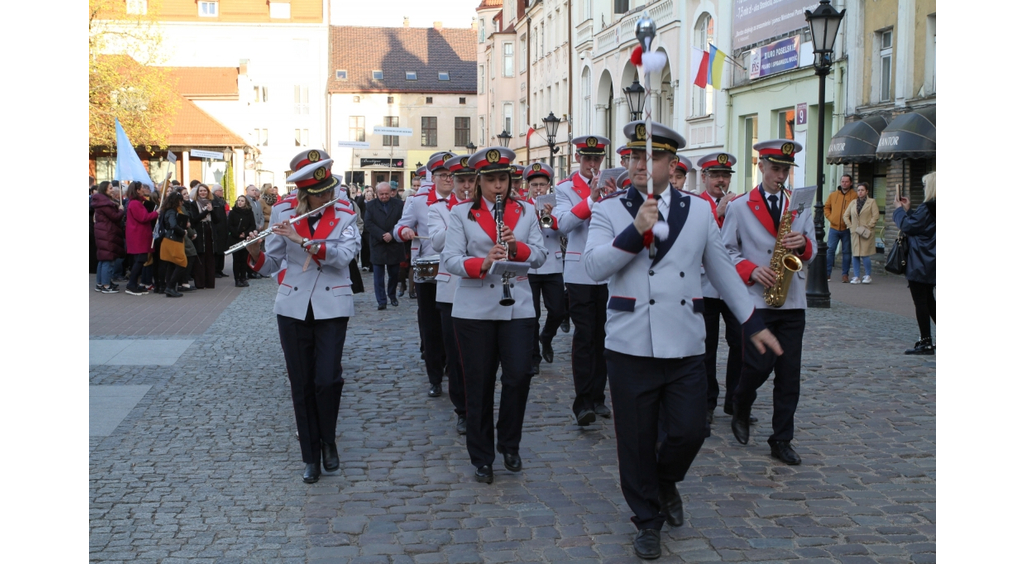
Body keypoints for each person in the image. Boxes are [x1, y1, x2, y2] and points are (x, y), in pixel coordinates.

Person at [584, 121, 780, 560]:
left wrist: (752, 321)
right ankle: (647, 519)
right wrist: (635, 230)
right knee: (635, 442)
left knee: (691, 430)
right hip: (631, 342)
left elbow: (723, 270)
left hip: (686, 340)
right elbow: (594, 268)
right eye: (632, 156)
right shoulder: (610, 210)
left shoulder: (697, 210)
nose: (637, 164)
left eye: (648, 156)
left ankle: (666, 480)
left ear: (672, 164)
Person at [245, 149, 361, 484]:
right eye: (317, 195)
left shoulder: (344, 212)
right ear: (303, 195)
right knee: (301, 383)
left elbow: (343, 258)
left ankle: (329, 439)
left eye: (328, 191)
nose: (326, 197)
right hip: (293, 306)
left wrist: (306, 241)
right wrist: (255, 254)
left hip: (332, 305)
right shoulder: (283, 211)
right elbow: (272, 265)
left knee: (327, 379)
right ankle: (310, 455)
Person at [441, 146, 547, 485]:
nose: (498, 186)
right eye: (491, 180)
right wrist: (483, 262)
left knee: (518, 376)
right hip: (474, 308)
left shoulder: (526, 211)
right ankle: (482, 456)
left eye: (503, 179)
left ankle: (510, 442)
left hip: (517, 305)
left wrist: (516, 247)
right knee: (479, 384)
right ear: (479, 182)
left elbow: (541, 256)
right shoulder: (461, 214)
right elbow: (451, 259)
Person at [721, 139, 816, 467]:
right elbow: (725, 252)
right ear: (760, 166)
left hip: (792, 299)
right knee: (758, 367)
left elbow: (813, 249)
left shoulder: (800, 205)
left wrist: (802, 244)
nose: (781, 175)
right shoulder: (740, 206)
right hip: (756, 301)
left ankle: (781, 439)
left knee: (789, 374)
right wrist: (751, 269)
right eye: (775, 168)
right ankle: (741, 403)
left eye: (786, 169)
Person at [552, 134, 615, 426]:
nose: (592, 163)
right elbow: (563, 224)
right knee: (585, 335)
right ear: (577, 158)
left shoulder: (614, 186)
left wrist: (613, 196)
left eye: (597, 159)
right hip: (579, 272)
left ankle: (599, 396)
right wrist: (591, 198)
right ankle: (583, 401)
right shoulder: (565, 188)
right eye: (587, 158)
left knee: (605, 335)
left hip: (608, 270)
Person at [395, 151, 456, 398]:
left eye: (451, 175)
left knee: (451, 325)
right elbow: (399, 227)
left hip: (455, 270)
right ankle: (434, 377)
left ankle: (453, 368)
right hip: (428, 270)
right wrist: (406, 231)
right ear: (434, 176)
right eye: (443, 175)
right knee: (430, 326)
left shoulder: (465, 199)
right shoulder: (419, 201)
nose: (448, 180)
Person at [694, 151, 746, 425]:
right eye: (715, 175)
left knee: (740, 343)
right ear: (704, 177)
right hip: (705, 286)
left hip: (734, 284)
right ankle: (707, 402)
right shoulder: (696, 204)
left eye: (725, 175)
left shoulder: (739, 204)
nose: (721, 180)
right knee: (707, 347)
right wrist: (719, 212)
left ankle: (735, 402)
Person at [428, 154, 475, 435]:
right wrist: (458, 213)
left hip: (480, 287)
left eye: (471, 180)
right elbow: (435, 242)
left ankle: (477, 403)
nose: (465, 185)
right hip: (449, 289)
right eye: (461, 180)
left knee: (477, 354)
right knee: (455, 355)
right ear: (452, 182)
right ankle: (463, 409)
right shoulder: (439, 208)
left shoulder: (488, 207)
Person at [524, 162, 566, 376]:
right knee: (532, 314)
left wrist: (551, 216)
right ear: (529, 186)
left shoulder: (558, 205)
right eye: (535, 185)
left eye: (542, 184)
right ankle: (533, 357)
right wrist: (533, 214)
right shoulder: (523, 207)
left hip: (552, 264)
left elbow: (563, 229)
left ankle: (546, 337)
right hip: (531, 266)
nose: (538, 189)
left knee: (558, 309)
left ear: (549, 185)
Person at [894, 172, 936, 355]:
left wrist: (898, 210)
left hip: (920, 259)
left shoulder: (928, 208)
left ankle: (926, 341)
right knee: (929, 300)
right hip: (931, 259)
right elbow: (921, 226)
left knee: (921, 301)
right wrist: (909, 210)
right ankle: (926, 340)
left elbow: (909, 226)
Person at [364, 181, 405, 309]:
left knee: (394, 274)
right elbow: (368, 223)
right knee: (378, 276)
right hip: (378, 244)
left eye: (387, 194)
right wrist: (382, 235)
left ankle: (392, 295)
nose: (384, 196)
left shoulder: (398, 204)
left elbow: (403, 220)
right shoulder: (370, 205)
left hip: (394, 243)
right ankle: (381, 300)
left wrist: (392, 234)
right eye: (381, 194)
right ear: (377, 194)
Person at [124, 182, 160, 295]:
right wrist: (156, 213)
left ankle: (134, 283)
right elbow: (143, 217)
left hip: (139, 234)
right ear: (138, 190)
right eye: (142, 188)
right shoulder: (135, 203)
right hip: (138, 235)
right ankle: (131, 284)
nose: (144, 189)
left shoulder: (136, 202)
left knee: (140, 259)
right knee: (140, 259)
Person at [843, 182, 880, 284]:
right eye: (858, 190)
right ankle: (856, 276)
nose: (860, 192)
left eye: (862, 190)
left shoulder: (871, 202)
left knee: (865, 254)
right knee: (855, 255)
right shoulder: (853, 203)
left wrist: (868, 226)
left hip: (866, 232)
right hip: (855, 232)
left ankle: (868, 275)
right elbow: (845, 215)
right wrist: (850, 226)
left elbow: (875, 216)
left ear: (867, 191)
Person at [92, 181, 126, 293]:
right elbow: (114, 217)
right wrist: (121, 210)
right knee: (108, 259)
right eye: (110, 188)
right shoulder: (105, 203)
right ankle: (106, 285)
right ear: (105, 189)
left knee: (103, 259)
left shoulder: (101, 202)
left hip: (104, 232)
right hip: (107, 233)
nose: (112, 190)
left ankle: (100, 283)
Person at [824, 174, 858, 283]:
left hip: (847, 228)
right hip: (834, 228)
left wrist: (851, 222)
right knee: (830, 251)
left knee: (846, 252)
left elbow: (857, 211)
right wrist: (831, 218)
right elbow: (826, 208)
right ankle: (827, 274)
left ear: (851, 183)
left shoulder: (854, 196)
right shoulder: (833, 195)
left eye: (846, 181)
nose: (844, 183)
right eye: (842, 181)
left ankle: (845, 275)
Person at [159, 192, 190, 298]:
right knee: (182, 263)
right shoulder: (172, 211)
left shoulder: (168, 210)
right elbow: (173, 224)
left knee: (171, 265)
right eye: (181, 201)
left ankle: (170, 287)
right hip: (173, 240)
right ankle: (170, 286)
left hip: (169, 239)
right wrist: (183, 231)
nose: (182, 203)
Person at [186, 184, 217, 289]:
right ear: (197, 193)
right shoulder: (194, 204)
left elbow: (217, 220)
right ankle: (200, 283)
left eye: (205, 191)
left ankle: (210, 282)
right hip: (200, 232)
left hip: (210, 232)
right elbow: (194, 219)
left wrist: (211, 210)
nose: (203, 193)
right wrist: (206, 211)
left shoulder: (211, 203)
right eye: (201, 191)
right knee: (200, 258)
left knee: (210, 259)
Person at [228, 195, 256, 287]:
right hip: (235, 238)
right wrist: (237, 233)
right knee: (236, 259)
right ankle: (237, 279)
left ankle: (243, 277)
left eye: (242, 201)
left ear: (246, 203)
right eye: (239, 200)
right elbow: (229, 225)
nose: (240, 202)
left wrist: (246, 233)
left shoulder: (249, 213)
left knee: (244, 259)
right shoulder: (232, 212)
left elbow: (252, 225)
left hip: (246, 238)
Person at [209, 184, 230, 278]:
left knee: (222, 250)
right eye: (221, 190)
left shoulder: (221, 201)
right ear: (216, 191)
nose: (222, 192)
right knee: (217, 250)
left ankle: (220, 269)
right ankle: (216, 269)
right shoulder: (213, 201)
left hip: (223, 228)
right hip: (217, 228)